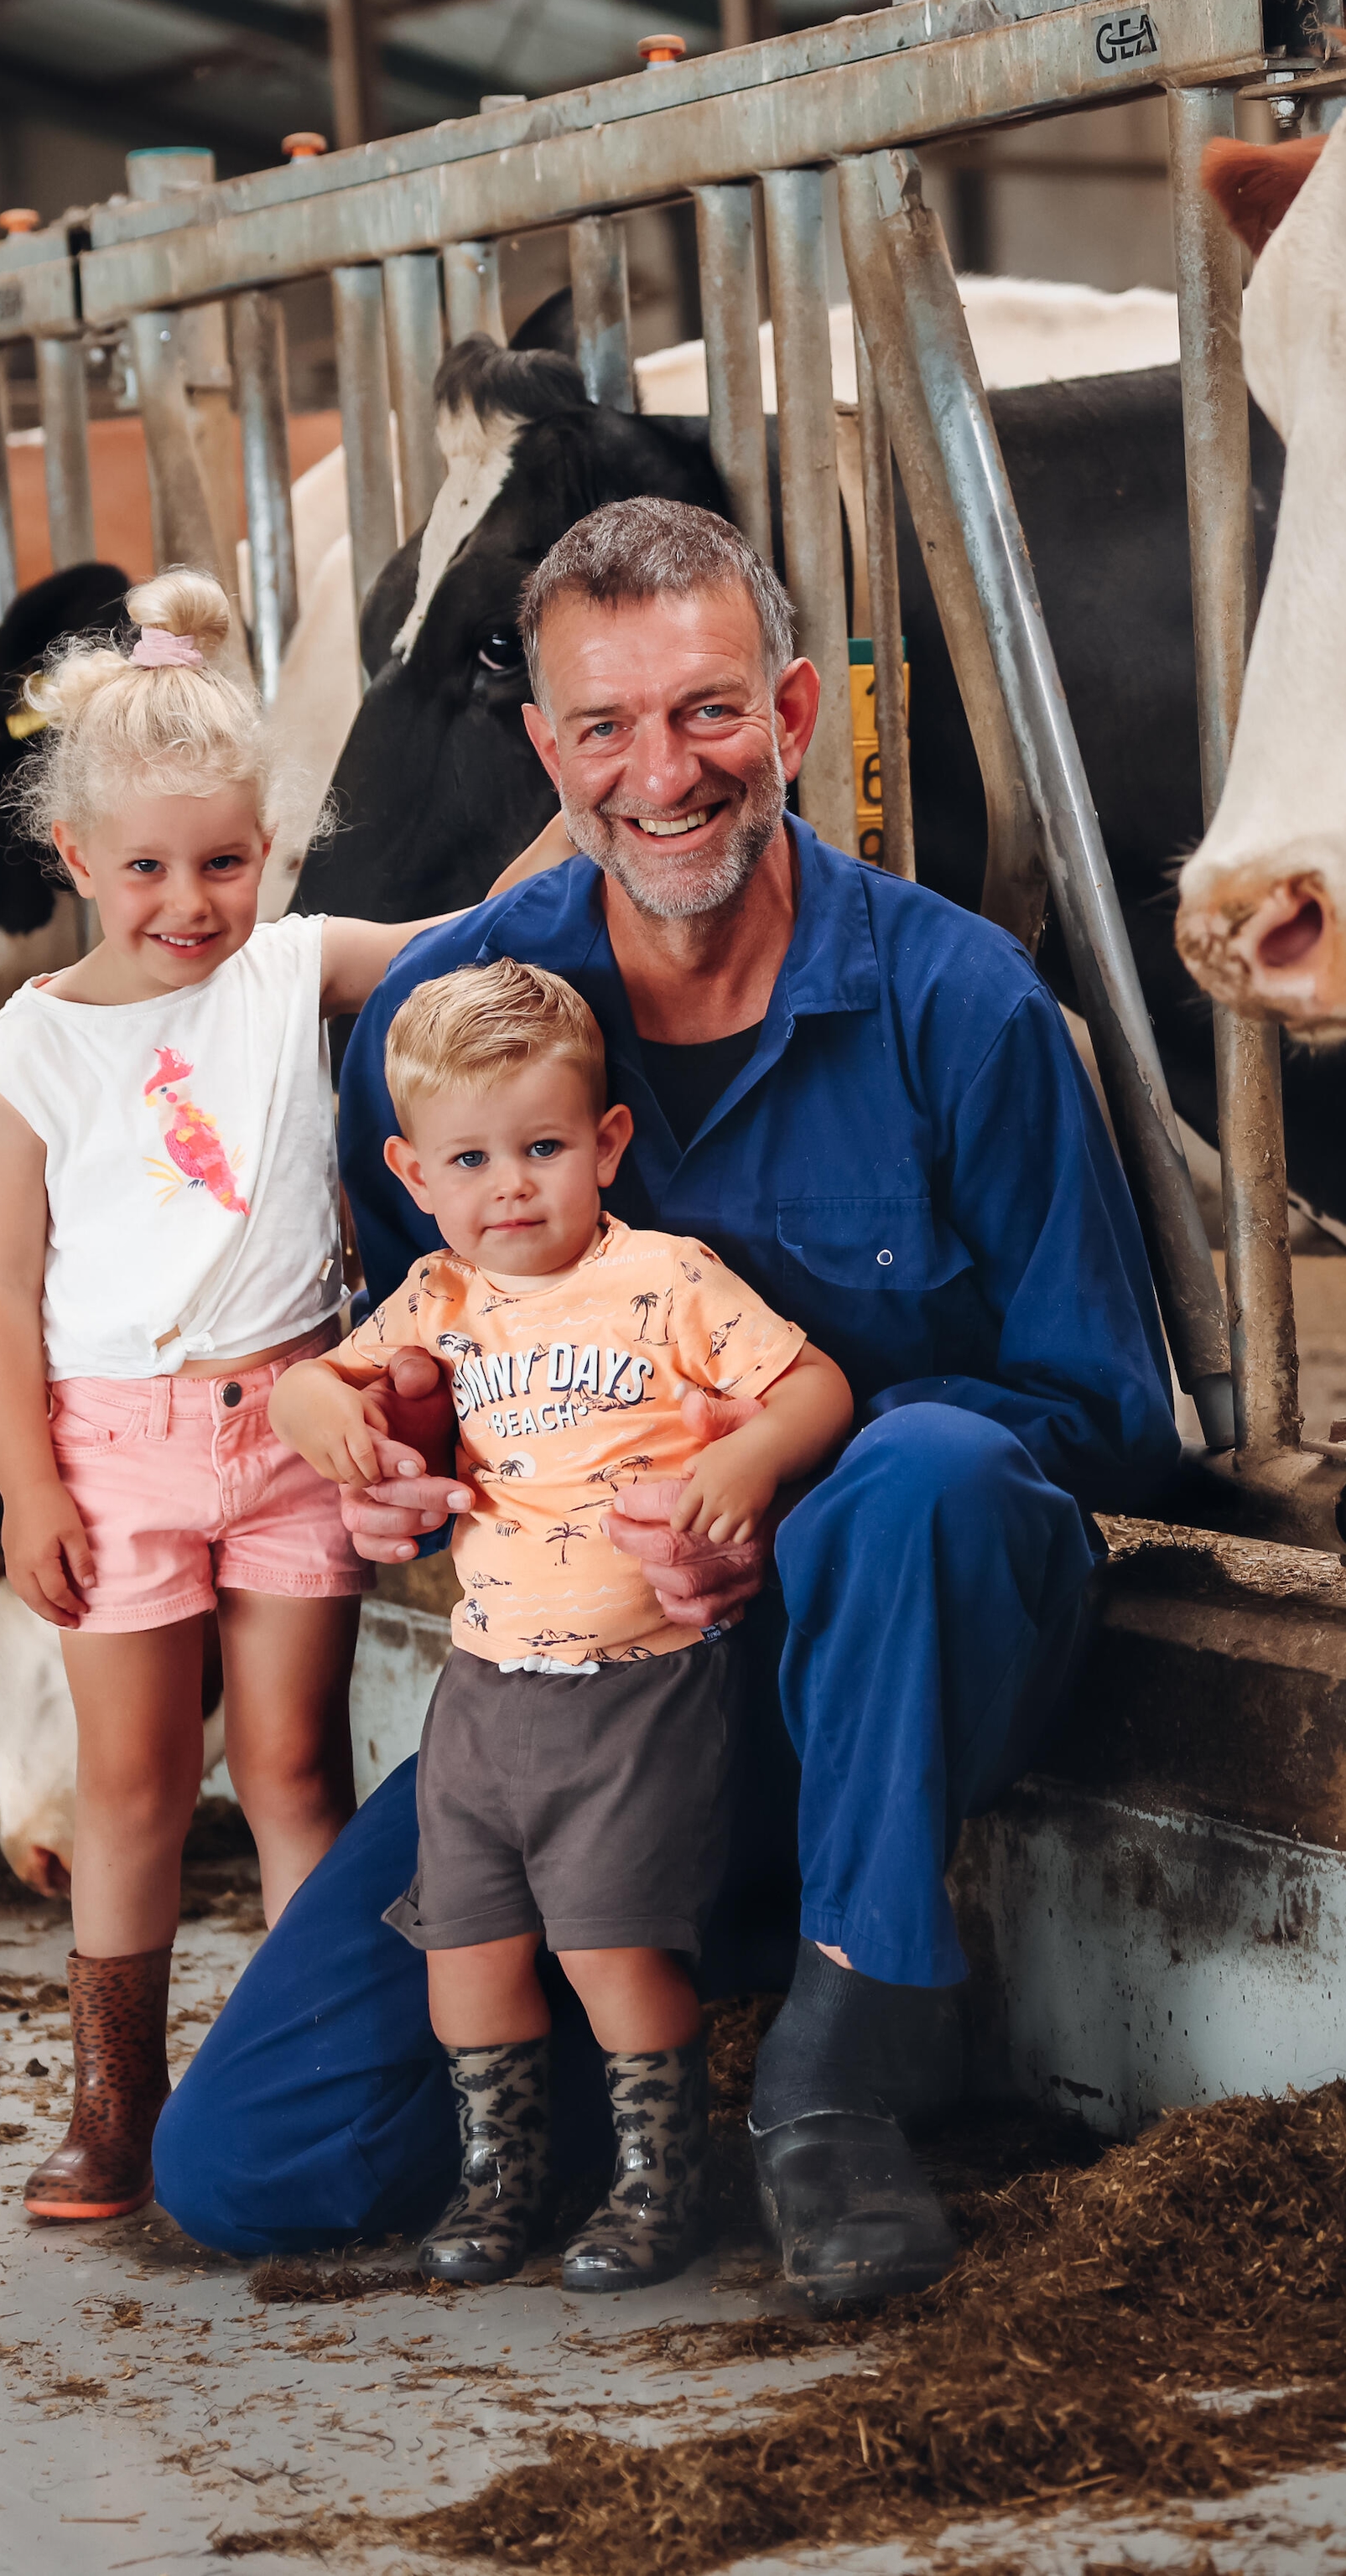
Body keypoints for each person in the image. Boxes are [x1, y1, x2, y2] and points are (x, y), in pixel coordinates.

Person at [148, 499, 1178, 2310]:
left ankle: (839, 2062)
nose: (663, 772)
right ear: (547, 751)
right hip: (577, 1708)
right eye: (604, 728)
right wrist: (395, 1464)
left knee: (922, 1469)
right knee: (251, 2165)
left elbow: (1098, 1409)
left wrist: (780, 1492)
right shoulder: (467, 1024)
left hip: (879, 1662)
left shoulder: (958, 1003)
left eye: (708, 711)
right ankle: (668, 1986)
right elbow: (412, 1352)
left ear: (792, 712)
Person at [0, 567, 446, 2225]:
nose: (188, 899)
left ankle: (302, 2068)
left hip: (296, 1428)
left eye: (222, 860)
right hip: (113, 1448)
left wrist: (598, 834)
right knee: (137, 1778)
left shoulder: (290, 965)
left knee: (297, 1760)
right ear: (77, 859)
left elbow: (474, 946)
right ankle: (114, 2098)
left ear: (268, 848)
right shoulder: (28, 1052)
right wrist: (29, 1484)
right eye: (147, 865)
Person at [273, 958, 855, 2291]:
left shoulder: (664, 1277)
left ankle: (664, 2178)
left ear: (606, 1144)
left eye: (542, 1147)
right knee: (466, 1954)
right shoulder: (436, 1297)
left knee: (609, 1946)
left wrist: (750, 1457)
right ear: (413, 1174)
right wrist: (321, 1411)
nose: (511, 1185)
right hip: (482, 1690)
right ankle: (503, 2180)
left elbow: (816, 1383)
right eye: (470, 1159)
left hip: (633, 1686)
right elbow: (318, 1381)